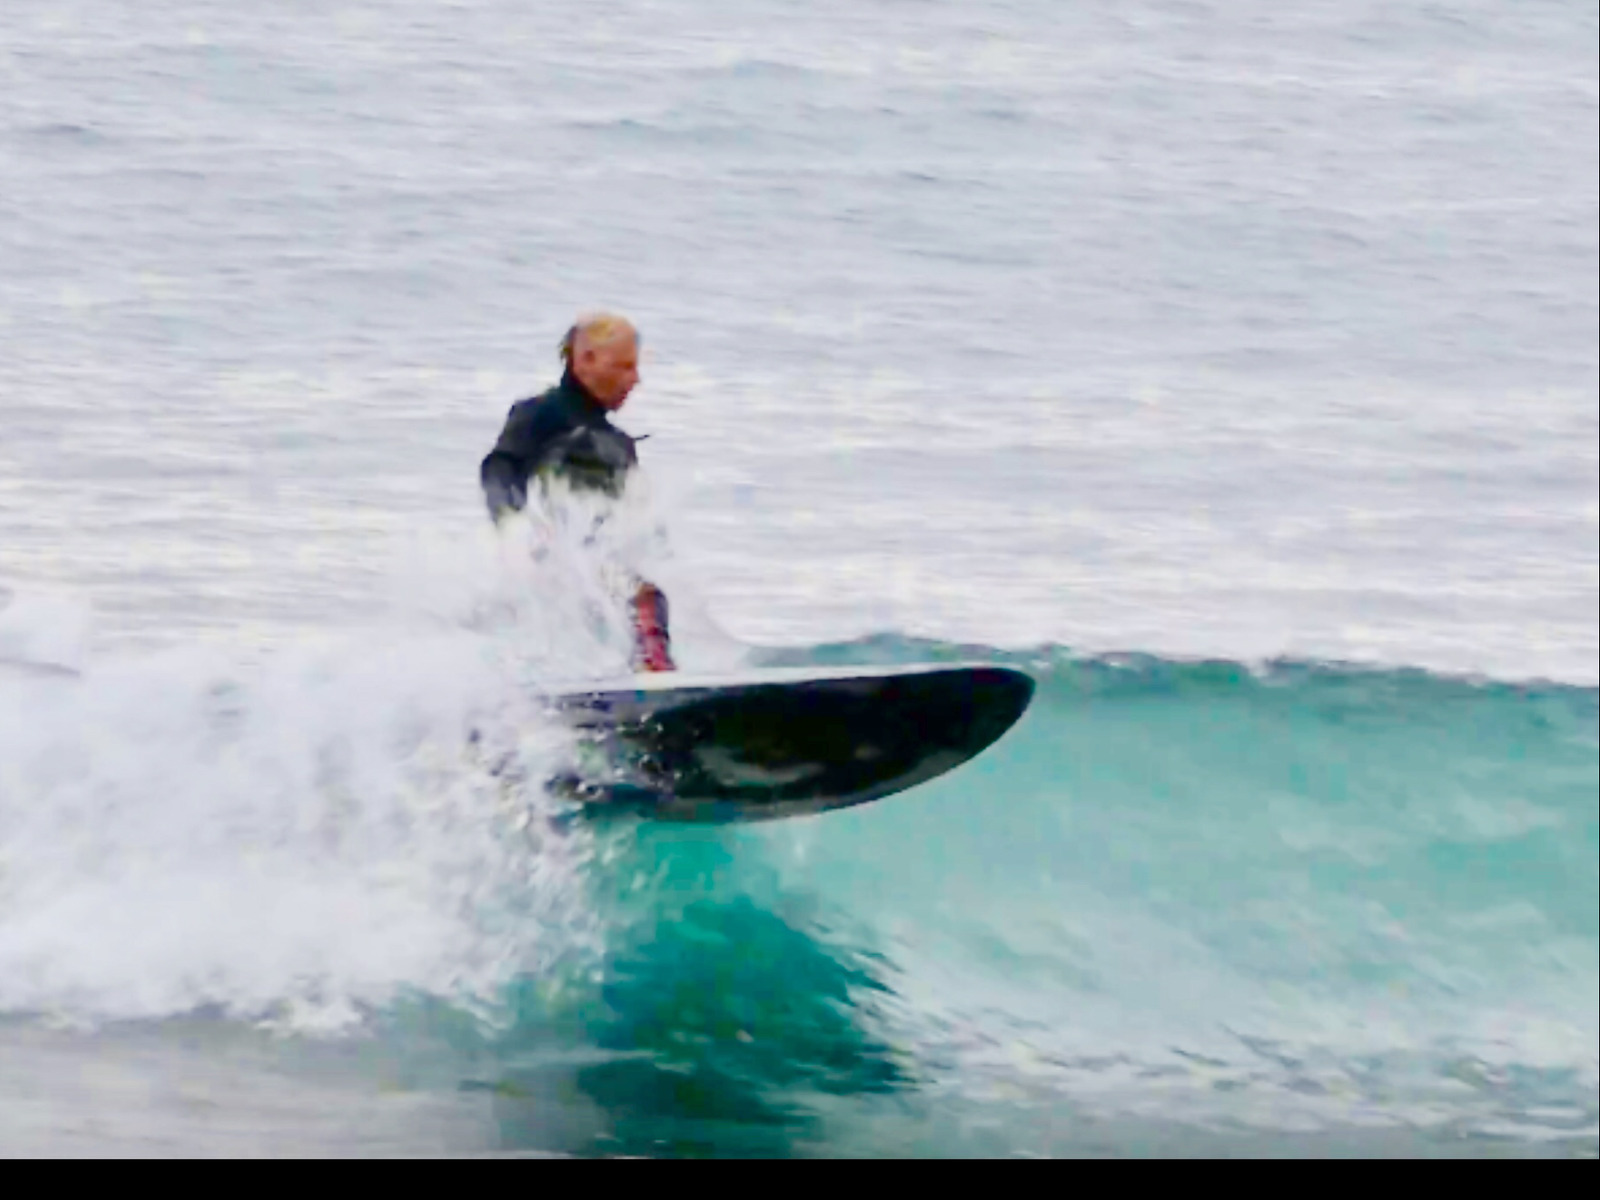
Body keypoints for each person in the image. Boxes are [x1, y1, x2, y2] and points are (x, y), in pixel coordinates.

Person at [479, 313, 674, 672]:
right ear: (585, 361)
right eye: (624, 367)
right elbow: (499, 467)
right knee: (642, 596)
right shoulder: (542, 414)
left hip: (595, 561)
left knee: (645, 593)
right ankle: (652, 675)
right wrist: (513, 528)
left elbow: (638, 518)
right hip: (552, 558)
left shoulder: (617, 443)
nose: (635, 379)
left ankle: (643, 679)